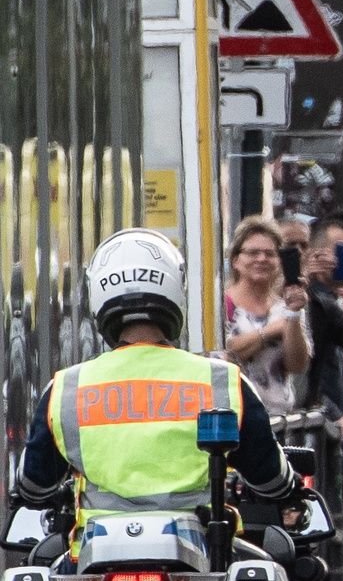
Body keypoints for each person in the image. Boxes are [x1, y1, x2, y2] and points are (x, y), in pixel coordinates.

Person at [15, 229, 300, 532]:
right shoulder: (222, 381)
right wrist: (290, 489)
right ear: (176, 291)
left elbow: (34, 487)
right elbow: (270, 480)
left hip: (96, 559)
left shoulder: (67, 388)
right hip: (201, 551)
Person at [222, 216, 307, 414]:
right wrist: (271, 331)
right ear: (236, 260)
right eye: (252, 253)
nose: (261, 259)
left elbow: (296, 364)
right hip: (236, 415)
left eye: (270, 254)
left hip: (278, 416)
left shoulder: (286, 306)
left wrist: (293, 316)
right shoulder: (222, 305)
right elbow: (224, 353)